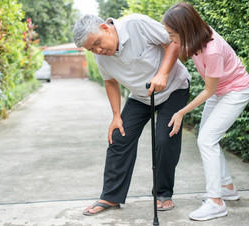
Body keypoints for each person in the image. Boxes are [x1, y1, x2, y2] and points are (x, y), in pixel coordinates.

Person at [73, 13, 191, 215]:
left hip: (173, 87)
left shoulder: (136, 24)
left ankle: (163, 193)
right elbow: (110, 82)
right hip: (141, 95)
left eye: (98, 44)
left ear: (105, 28)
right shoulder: (101, 57)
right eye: (91, 49)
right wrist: (116, 116)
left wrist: (162, 73)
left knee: (164, 138)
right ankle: (110, 197)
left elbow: (173, 42)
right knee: (119, 136)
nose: (98, 50)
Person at [163, 2, 249, 221]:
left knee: (206, 140)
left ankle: (216, 202)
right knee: (207, 138)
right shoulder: (196, 38)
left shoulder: (212, 50)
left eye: (172, 35)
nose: (170, 39)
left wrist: (181, 112)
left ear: (185, 30)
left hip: (235, 91)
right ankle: (227, 188)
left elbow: (209, 90)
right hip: (219, 91)